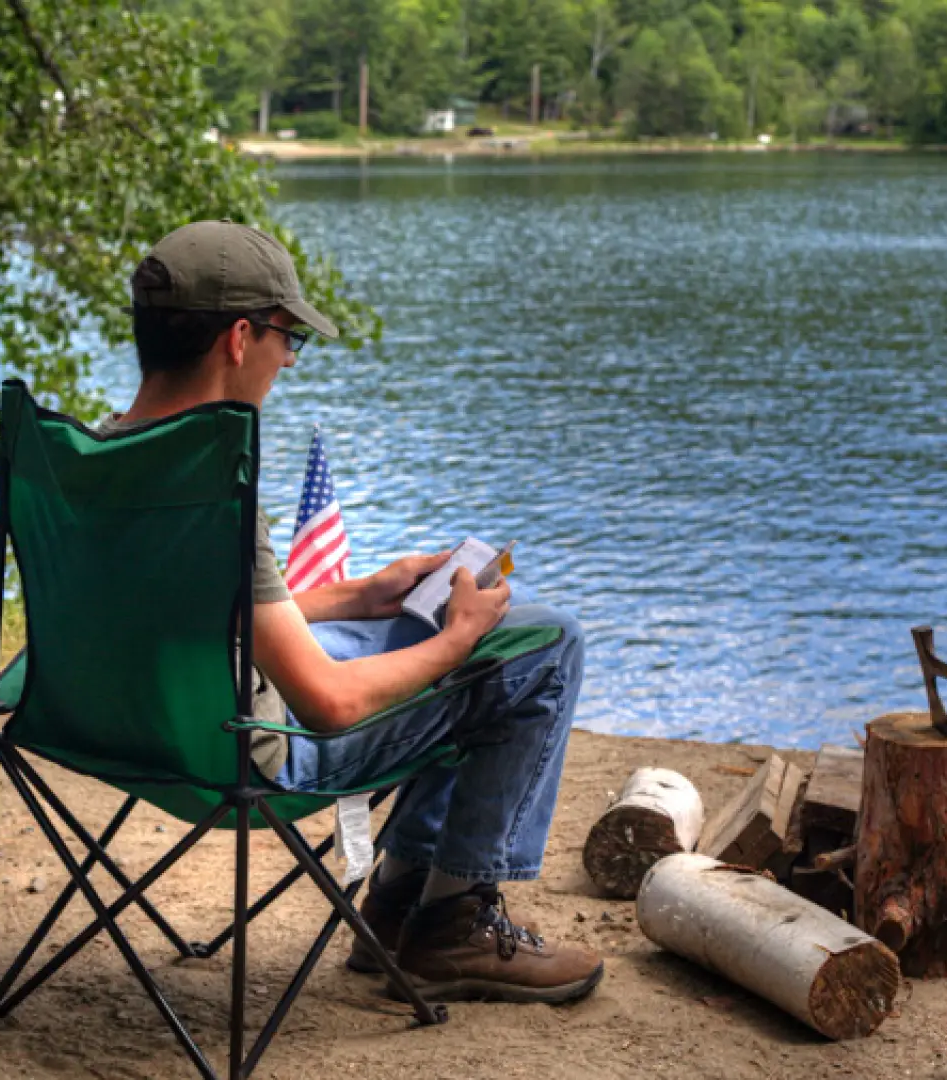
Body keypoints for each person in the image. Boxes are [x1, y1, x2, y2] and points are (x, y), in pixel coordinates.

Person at [107, 220, 601, 1005]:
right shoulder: (214, 489)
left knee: (424, 625)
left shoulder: (100, 455)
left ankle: (399, 905)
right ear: (240, 337)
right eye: (288, 337)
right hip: (250, 750)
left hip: (123, 721)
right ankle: (450, 924)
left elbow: (191, 615)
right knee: (538, 647)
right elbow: (329, 707)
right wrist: (463, 639)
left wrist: (357, 593)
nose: (290, 359)